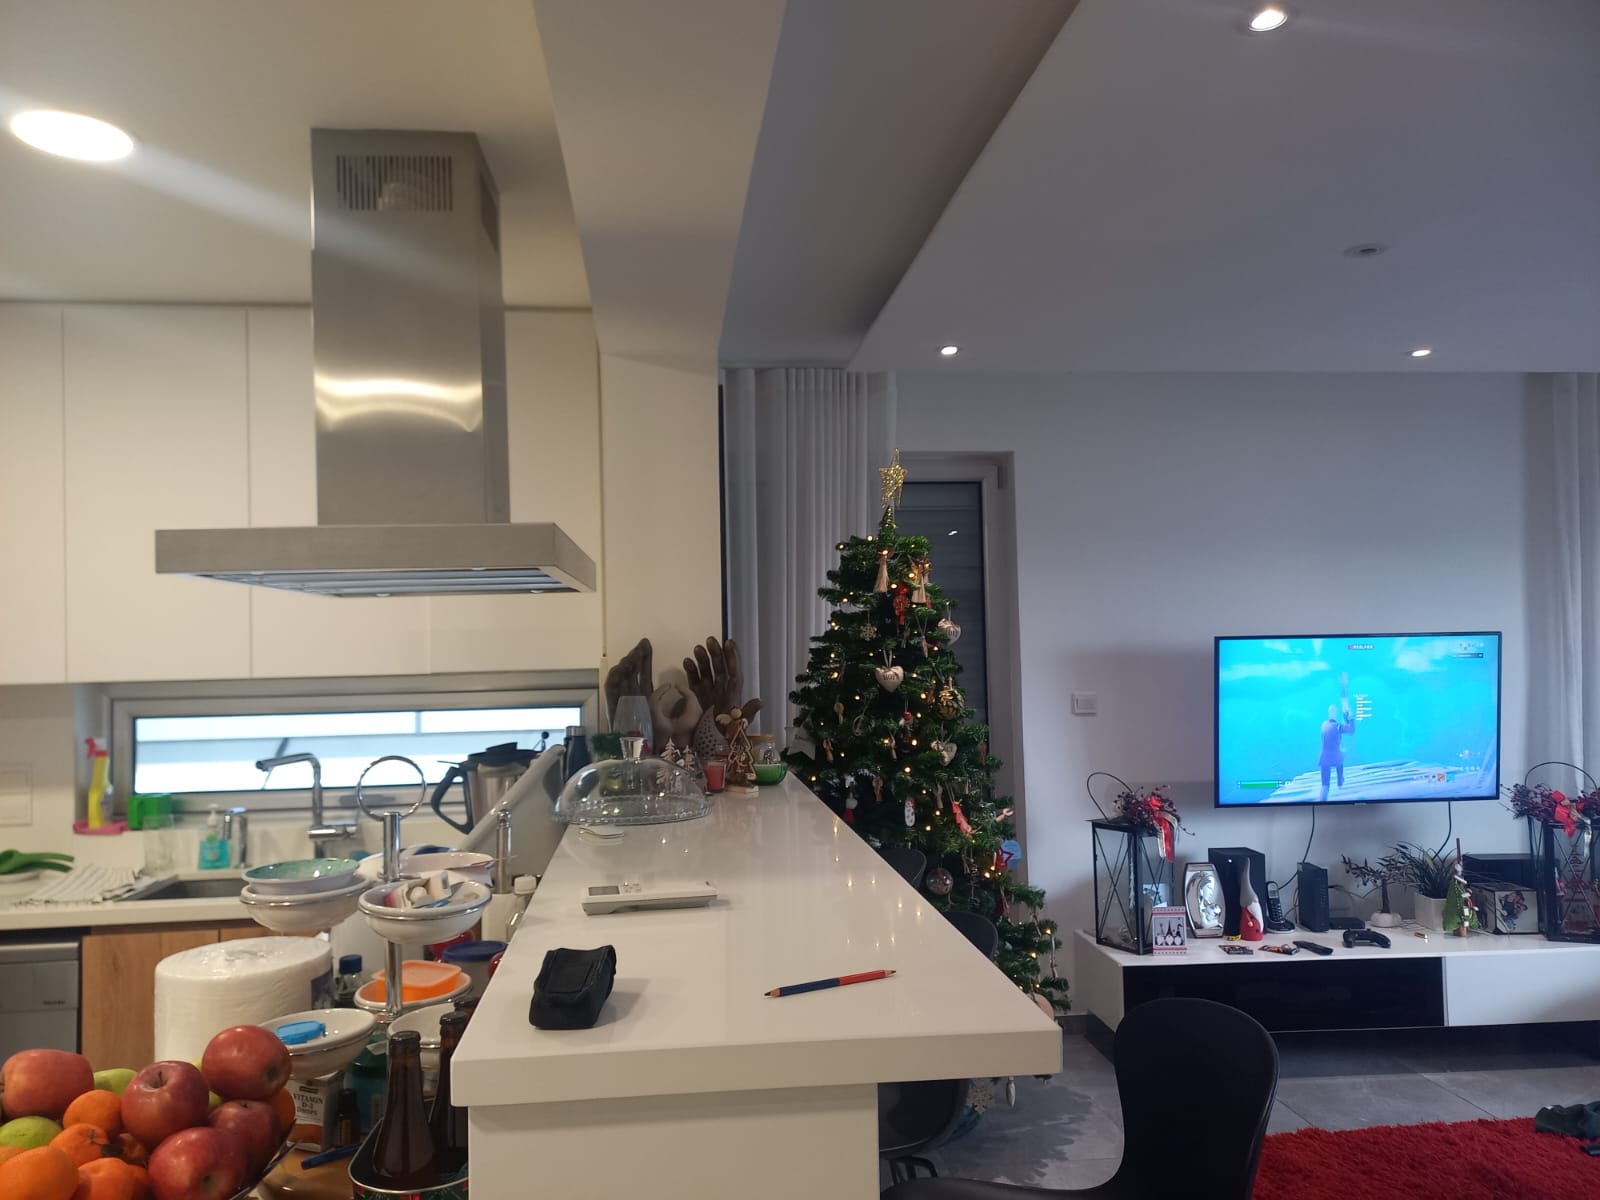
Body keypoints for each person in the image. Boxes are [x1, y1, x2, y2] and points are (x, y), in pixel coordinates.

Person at [1318, 672, 1356, 801]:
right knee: (1340, 763)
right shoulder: (1338, 727)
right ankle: (1340, 782)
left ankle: (1323, 800)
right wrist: (1350, 717)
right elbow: (1351, 730)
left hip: (1324, 758)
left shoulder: (1323, 724)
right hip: (1335, 757)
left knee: (1324, 786)